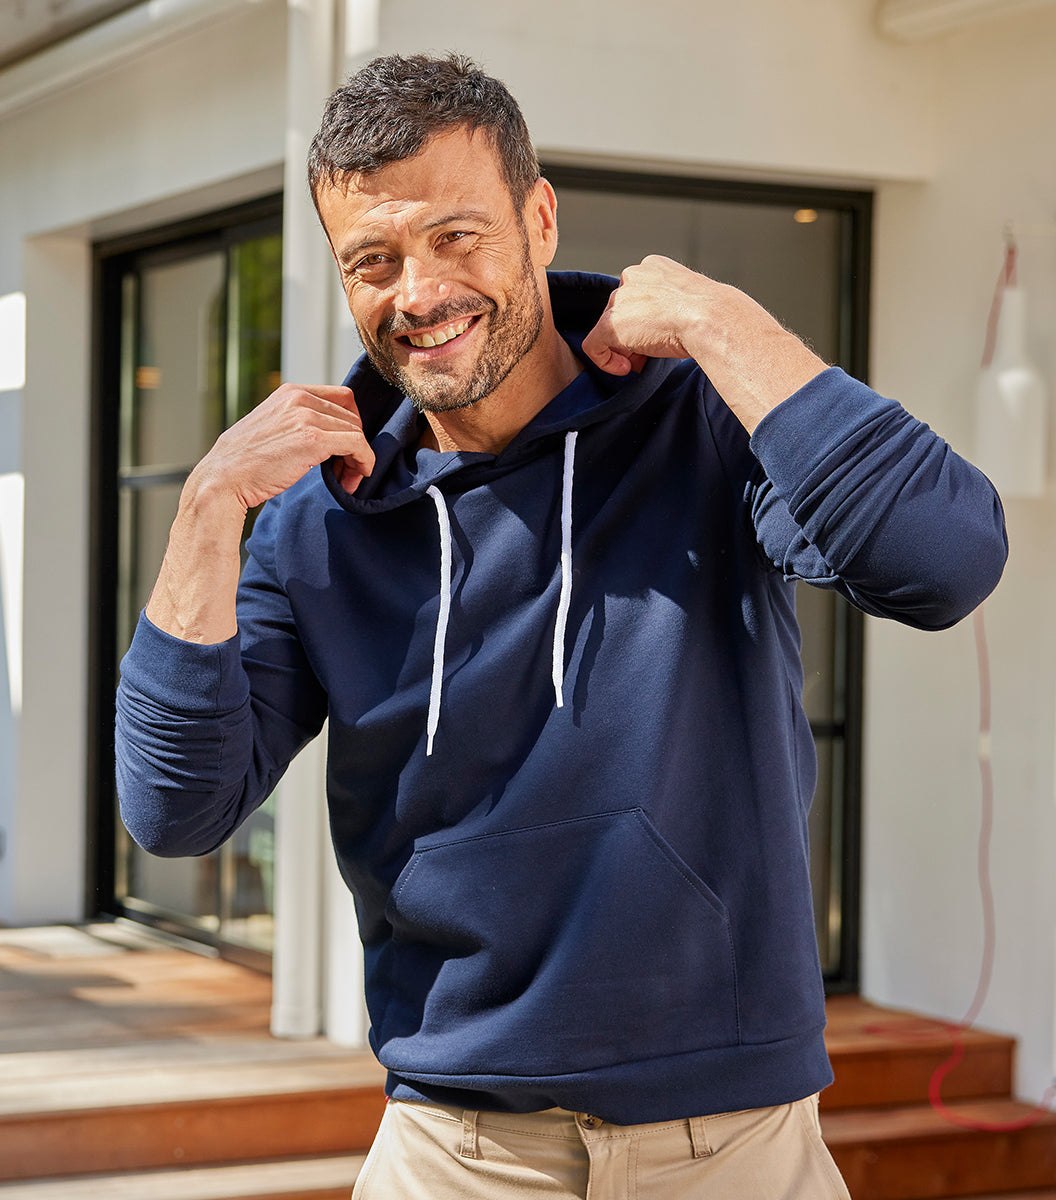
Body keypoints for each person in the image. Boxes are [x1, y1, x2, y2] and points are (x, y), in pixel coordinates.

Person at [115, 53, 1007, 1200]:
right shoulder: (316, 522)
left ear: (539, 220)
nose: (417, 293)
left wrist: (720, 320)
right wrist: (205, 509)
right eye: (373, 261)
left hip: (733, 1145)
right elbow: (176, 809)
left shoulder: (704, 422)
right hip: (454, 1153)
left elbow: (946, 561)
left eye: (456, 237)